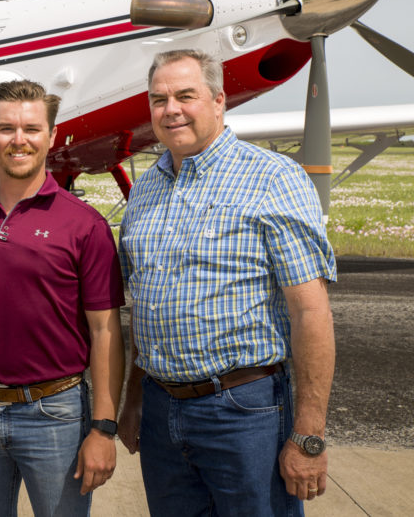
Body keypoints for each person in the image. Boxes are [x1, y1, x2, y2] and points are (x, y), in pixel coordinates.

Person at [117, 49, 336, 515]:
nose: (170, 109)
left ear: (219, 101)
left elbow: (310, 311)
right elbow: (145, 307)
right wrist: (133, 399)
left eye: (185, 95)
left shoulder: (273, 177)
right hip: (161, 410)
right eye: (159, 99)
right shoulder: (145, 190)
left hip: (243, 410)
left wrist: (309, 436)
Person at [0, 79, 126, 516]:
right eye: (6, 128)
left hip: (57, 414)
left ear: (51, 137)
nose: (19, 140)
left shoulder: (85, 225)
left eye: (32, 129)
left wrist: (103, 429)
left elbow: (105, 329)